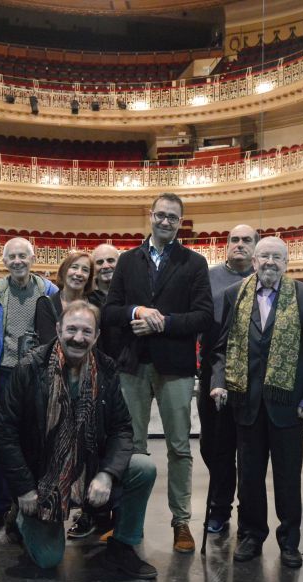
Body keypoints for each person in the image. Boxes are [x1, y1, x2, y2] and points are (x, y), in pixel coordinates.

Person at [0, 300, 157, 580]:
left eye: (86, 331)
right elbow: (5, 432)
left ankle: (123, 546)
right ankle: (19, 518)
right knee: (48, 559)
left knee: (143, 468)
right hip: (41, 477)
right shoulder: (29, 368)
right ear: (58, 329)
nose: (78, 338)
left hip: (89, 465)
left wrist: (107, 474)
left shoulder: (106, 369)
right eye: (71, 329)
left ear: (96, 336)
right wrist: (23, 488)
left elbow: (121, 429)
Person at [103, 192, 213, 553]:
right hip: (132, 366)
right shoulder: (127, 261)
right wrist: (137, 312)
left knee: (179, 447)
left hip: (175, 367)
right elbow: (110, 311)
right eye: (161, 215)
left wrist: (161, 323)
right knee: (129, 448)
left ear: (180, 223)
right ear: (150, 216)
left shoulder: (194, 263)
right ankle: (126, 522)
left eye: (173, 218)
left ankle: (181, 522)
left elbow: (203, 317)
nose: (166, 222)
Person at [210, 236, 303, 568]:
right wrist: (219, 383)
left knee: (288, 478)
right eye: (264, 257)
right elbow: (220, 348)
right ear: (255, 262)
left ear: (287, 263)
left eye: (277, 256)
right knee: (249, 476)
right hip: (245, 404)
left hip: (288, 405)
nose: (270, 262)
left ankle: (289, 542)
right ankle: (250, 536)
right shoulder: (235, 295)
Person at [0, 237, 58, 529]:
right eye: (12, 256)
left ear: (32, 258)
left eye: (22, 256)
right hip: (5, 371)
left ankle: (34, 500)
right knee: (4, 440)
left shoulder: (48, 290)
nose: (17, 261)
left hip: (36, 371)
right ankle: (0, 505)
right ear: (4, 262)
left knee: (37, 438)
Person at [198, 224, 258, 534]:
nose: (239, 244)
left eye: (246, 240)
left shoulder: (265, 276)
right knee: (213, 445)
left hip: (252, 372)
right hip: (213, 367)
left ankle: (238, 511)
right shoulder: (209, 277)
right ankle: (220, 506)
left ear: (255, 247)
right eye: (234, 239)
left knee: (247, 447)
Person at [67, 244, 121, 539]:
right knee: (87, 445)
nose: (105, 266)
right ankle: (88, 513)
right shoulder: (85, 300)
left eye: (111, 260)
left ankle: (117, 515)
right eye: (98, 262)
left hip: (123, 377)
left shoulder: (127, 294)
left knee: (118, 446)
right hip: (89, 377)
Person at [35, 251, 96, 344]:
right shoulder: (46, 304)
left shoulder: (96, 304)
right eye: (74, 267)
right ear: (64, 271)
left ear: (89, 278)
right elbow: (48, 343)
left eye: (85, 270)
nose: (79, 273)